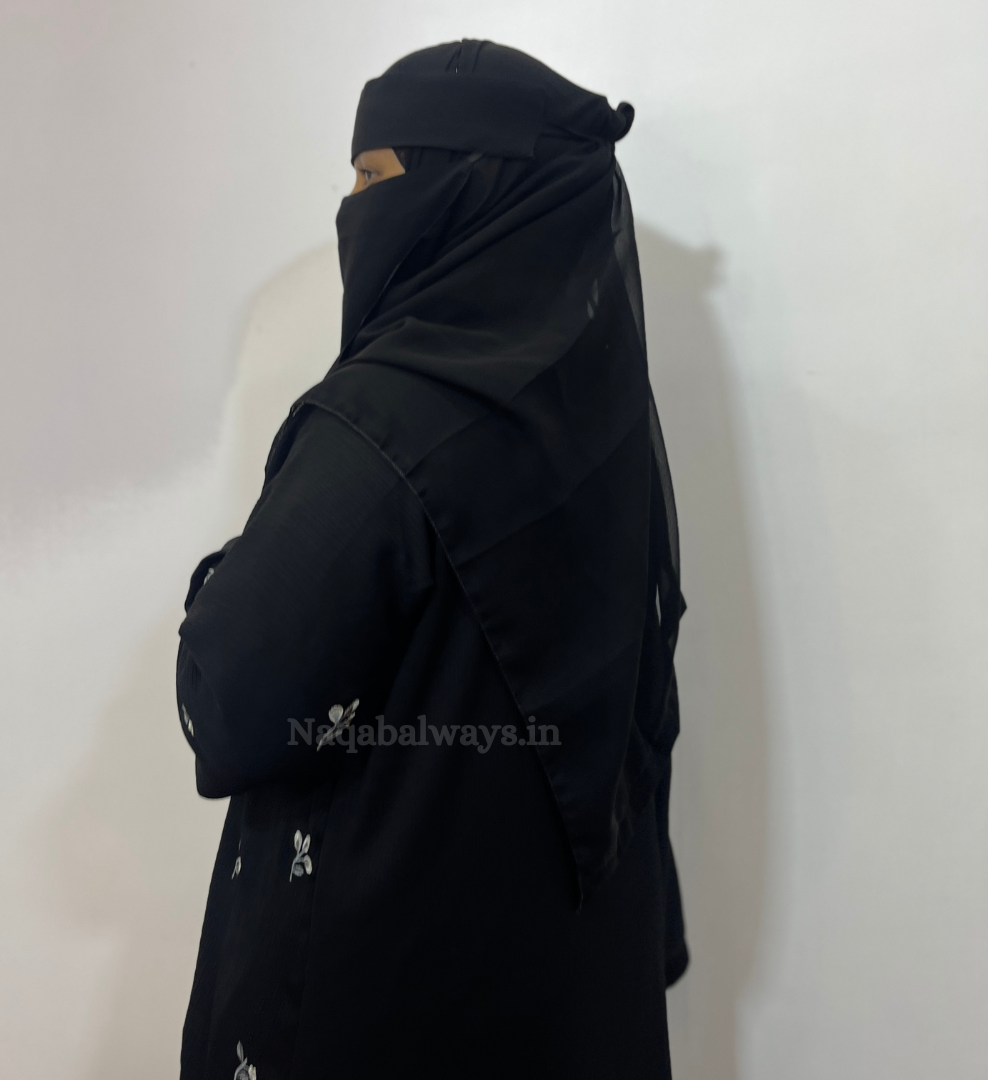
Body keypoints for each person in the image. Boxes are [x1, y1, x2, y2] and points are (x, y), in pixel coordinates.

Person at [175, 38, 688, 1080]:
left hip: (381, 987)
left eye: (373, 176)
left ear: (465, 188)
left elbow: (231, 698)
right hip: (550, 978)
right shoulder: (598, 422)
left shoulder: (383, 424)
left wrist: (218, 578)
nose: (350, 208)